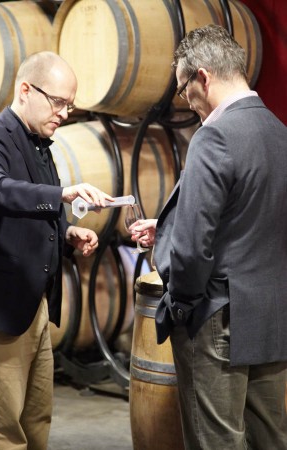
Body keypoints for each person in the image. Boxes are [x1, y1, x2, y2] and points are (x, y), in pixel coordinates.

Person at [130, 24, 287, 449]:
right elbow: (253, 216)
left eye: (183, 90)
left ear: (202, 77)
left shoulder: (214, 136)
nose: (187, 101)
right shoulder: (279, 132)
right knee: (270, 439)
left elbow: (194, 247)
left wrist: (180, 306)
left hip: (218, 317)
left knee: (215, 440)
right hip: (272, 314)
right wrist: (166, 227)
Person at [0, 51, 114, 450]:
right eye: (58, 102)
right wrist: (62, 193)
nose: (65, 112)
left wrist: (69, 235)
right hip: (3, 310)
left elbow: (36, 214)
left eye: (70, 105)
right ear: (25, 89)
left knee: (37, 416)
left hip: (37, 306)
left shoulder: (42, 143)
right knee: (3, 425)